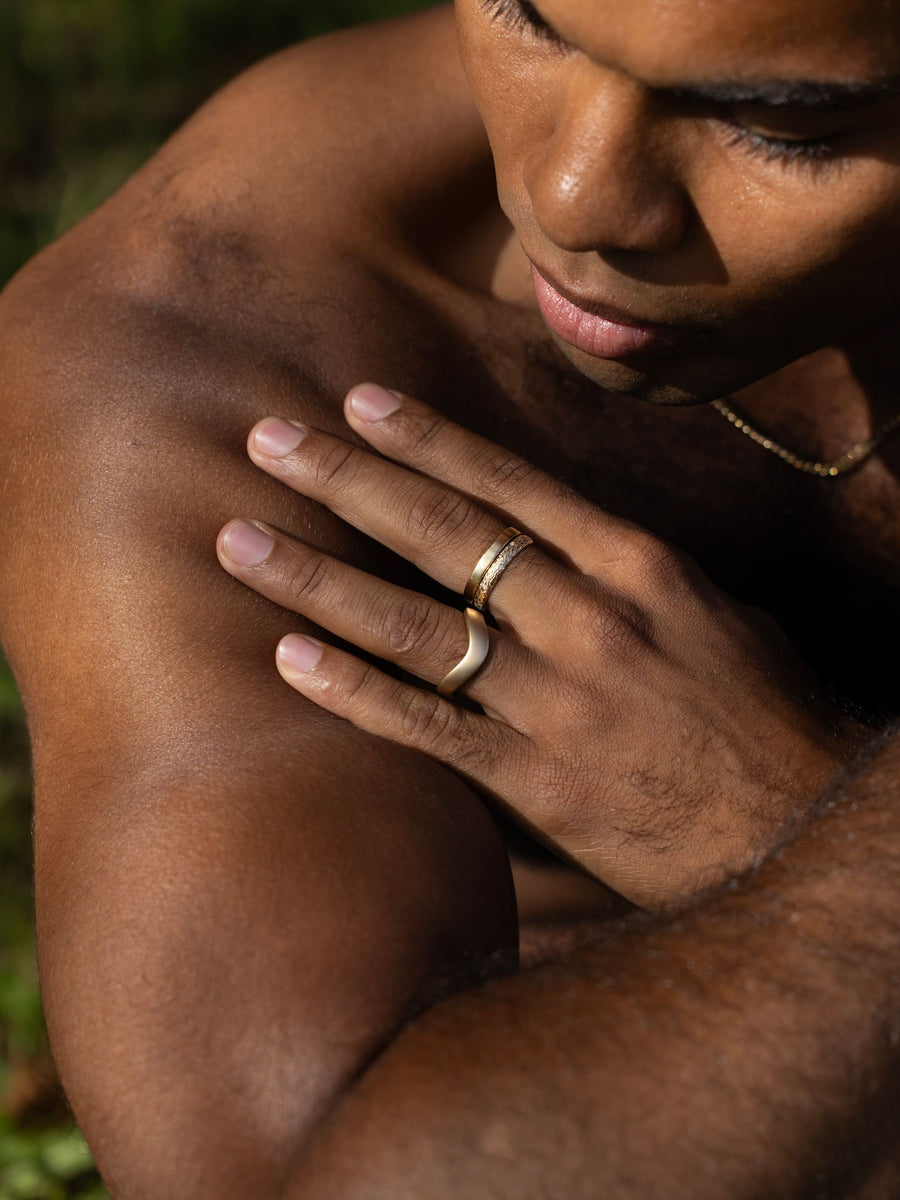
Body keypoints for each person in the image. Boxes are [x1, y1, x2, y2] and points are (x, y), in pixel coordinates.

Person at [0, 0, 899, 1193]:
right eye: (528, 17)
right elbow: (299, 1179)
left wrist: (794, 825)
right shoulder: (197, 346)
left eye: (786, 125)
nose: (577, 197)